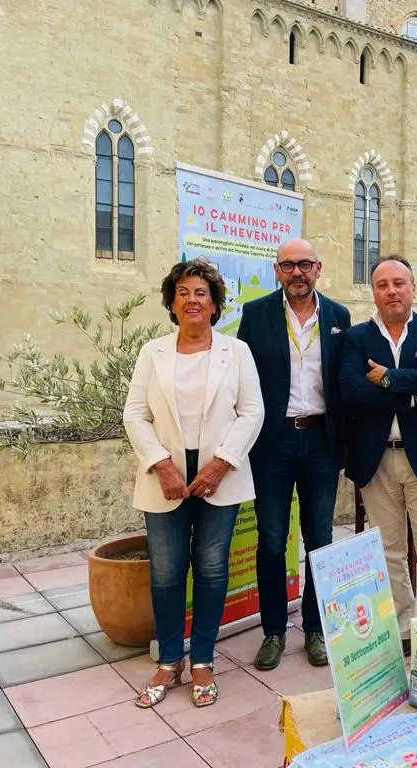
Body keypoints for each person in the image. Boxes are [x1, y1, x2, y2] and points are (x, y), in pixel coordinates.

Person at [124, 258, 264, 709]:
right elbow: (134, 415)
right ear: (171, 302)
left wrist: (222, 463)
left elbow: (252, 412)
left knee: (210, 569)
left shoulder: (236, 353)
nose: (191, 300)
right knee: (165, 573)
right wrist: (160, 464)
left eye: (200, 293)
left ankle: (202, 657)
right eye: (182, 293)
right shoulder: (153, 353)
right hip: (164, 478)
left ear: (214, 303)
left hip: (216, 478)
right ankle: (169, 659)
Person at [236, 239, 351, 670]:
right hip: (273, 443)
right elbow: (241, 379)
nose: (297, 271)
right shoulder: (256, 314)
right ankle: (273, 632)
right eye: (288, 265)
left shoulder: (339, 316)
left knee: (319, 541)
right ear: (277, 270)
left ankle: (316, 629)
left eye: (305, 264)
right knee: (270, 539)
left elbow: (346, 379)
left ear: (318, 268)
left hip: (322, 442)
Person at [340, 255, 417, 647]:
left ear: (413, 288)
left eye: (399, 283)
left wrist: (388, 378)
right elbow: (351, 390)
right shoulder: (356, 338)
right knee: (389, 551)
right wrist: (414, 394)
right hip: (377, 459)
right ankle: (406, 625)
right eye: (382, 284)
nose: (391, 291)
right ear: (372, 292)